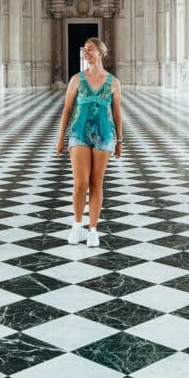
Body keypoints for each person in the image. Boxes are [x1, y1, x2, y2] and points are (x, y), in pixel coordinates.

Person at [55, 37, 122, 247]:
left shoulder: (113, 82)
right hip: (79, 133)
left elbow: (117, 113)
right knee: (80, 183)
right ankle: (77, 225)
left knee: (96, 183)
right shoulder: (76, 79)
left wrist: (119, 140)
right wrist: (60, 138)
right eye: (85, 49)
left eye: (91, 49)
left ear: (101, 52)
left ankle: (93, 229)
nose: (87, 52)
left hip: (104, 135)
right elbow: (67, 110)